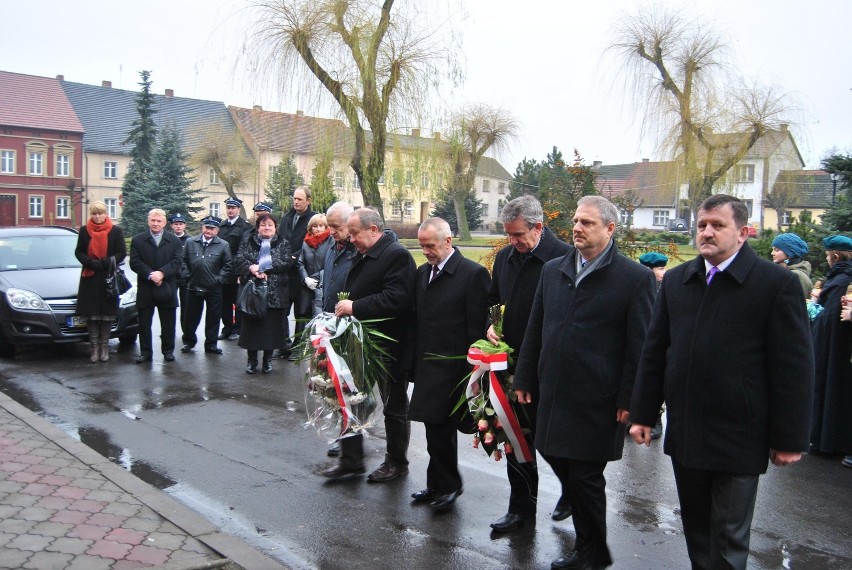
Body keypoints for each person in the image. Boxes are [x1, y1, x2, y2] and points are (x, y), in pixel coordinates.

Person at [629, 194, 814, 570]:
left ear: (743, 232)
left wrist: (789, 438)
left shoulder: (774, 284)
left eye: (718, 225)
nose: (707, 233)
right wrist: (643, 414)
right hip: (687, 430)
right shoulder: (679, 281)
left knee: (728, 537)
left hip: (739, 434)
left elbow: (794, 367)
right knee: (696, 531)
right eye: (702, 225)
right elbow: (656, 352)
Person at [513, 195, 655, 570]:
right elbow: (536, 327)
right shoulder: (554, 270)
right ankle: (590, 543)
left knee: (586, 478)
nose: (577, 227)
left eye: (587, 222)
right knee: (553, 454)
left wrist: (631, 399)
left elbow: (640, 346)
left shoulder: (634, 278)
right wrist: (525, 374)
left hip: (599, 398)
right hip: (553, 392)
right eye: (576, 221)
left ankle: (592, 554)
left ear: (609, 229)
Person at [485, 195, 572, 533]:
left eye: (519, 235)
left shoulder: (564, 257)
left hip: (547, 367)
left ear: (539, 227)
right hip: (510, 364)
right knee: (515, 438)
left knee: (549, 441)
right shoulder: (506, 257)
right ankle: (521, 510)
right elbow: (493, 301)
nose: (513, 242)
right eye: (509, 234)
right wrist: (490, 323)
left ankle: (574, 488)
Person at [324, 207, 416, 483]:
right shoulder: (363, 253)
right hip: (357, 341)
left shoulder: (396, 256)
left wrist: (355, 307)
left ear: (373, 230)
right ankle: (351, 460)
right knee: (352, 400)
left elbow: (398, 298)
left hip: (390, 346)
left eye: (354, 233)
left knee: (394, 406)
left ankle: (396, 462)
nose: (350, 239)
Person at [409, 218, 490, 512]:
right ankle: (436, 484)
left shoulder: (472, 274)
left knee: (444, 430)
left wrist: (473, 373)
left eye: (430, 246)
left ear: (448, 241)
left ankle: (450, 485)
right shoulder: (422, 273)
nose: (426, 251)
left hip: (454, 368)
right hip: (428, 364)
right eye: (422, 246)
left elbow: (477, 326)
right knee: (433, 431)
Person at [809, 234, 852, 467]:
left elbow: (830, 320)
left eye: (827, 255)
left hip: (834, 349)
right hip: (838, 348)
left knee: (832, 390)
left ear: (835, 255)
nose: (826, 259)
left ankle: (827, 442)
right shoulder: (841, 279)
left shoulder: (842, 280)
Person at [235, 213, 292, 374]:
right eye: (263, 225)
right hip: (253, 293)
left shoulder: (283, 243)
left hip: (275, 294)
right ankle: (251, 361)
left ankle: (267, 360)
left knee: (271, 330)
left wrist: (265, 267)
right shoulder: (248, 242)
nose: (267, 228)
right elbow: (239, 259)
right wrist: (252, 268)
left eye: (270, 225)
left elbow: (286, 262)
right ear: (258, 227)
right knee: (252, 329)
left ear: (275, 227)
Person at [74, 201, 126, 363]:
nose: (97, 216)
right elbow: (79, 251)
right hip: (90, 277)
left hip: (108, 277)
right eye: (94, 214)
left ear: (106, 214)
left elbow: (122, 252)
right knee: (92, 316)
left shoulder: (116, 231)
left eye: (100, 213)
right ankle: (94, 348)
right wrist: (89, 262)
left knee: (106, 315)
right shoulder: (84, 231)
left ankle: (104, 348)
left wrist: (107, 262)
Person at [129, 209, 184, 364]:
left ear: (165, 223)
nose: (155, 223)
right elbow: (135, 262)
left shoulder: (174, 241)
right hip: (146, 287)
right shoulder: (138, 240)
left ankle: (168, 351)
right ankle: (145, 352)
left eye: (159, 221)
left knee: (168, 322)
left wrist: (162, 273)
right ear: (148, 221)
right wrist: (151, 274)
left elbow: (177, 261)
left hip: (167, 286)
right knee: (144, 323)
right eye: (153, 220)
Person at [180, 216, 233, 355]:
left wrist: (219, 279)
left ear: (217, 230)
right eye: (206, 227)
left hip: (213, 288)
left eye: (212, 228)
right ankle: (189, 342)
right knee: (190, 317)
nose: (209, 231)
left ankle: (211, 344)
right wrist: (187, 276)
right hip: (194, 286)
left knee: (213, 318)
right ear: (202, 227)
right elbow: (183, 261)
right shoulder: (191, 242)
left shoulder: (223, 245)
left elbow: (228, 265)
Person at [279, 186, 316, 359]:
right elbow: (280, 240)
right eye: (294, 198)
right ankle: (283, 345)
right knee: (282, 311)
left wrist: (296, 256)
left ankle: (298, 347)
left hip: (302, 272)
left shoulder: (313, 219)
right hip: (285, 272)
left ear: (308, 201)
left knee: (301, 312)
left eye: (300, 199)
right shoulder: (287, 218)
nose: (296, 202)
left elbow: (314, 242)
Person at [638, 251, 669, 441]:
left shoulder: (665, 288)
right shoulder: (640, 285)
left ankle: (656, 418)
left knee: (657, 381)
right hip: (641, 340)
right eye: (660, 268)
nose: (664, 272)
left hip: (658, 342)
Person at [218, 197, 251, 341]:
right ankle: (227, 328)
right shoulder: (222, 225)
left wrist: (240, 272)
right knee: (224, 302)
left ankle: (237, 329)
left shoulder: (244, 227)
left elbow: (243, 251)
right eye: (228, 208)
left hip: (236, 271)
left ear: (238, 209)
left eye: (233, 208)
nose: (230, 210)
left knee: (237, 302)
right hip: (224, 271)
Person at [297, 213, 333, 317]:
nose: (318, 229)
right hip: (306, 287)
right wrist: (305, 278)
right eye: (315, 226)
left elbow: (331, 263)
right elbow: (300, 262)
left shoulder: (331, 240)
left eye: (321, 226)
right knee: (304, 318)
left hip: (323, 284)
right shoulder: (306, 242)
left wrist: (317, 278)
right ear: (310, 228)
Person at [771, 232, 813, 299]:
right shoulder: (787, 271)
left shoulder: (798, 276)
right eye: (772, 249)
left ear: (789, 253)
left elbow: (798, 305)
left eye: (776, 250)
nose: (772, 253)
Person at [168, 213, 190, 332]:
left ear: (184, 226)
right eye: (176, 224)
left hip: (185, 278)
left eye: (181, 224)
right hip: (170, 277)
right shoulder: (167, 239)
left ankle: (186, 332)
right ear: (171, 226)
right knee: (170, 305)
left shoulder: (190, 240)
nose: (178, 227)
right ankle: (169, 331)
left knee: (186, 307)